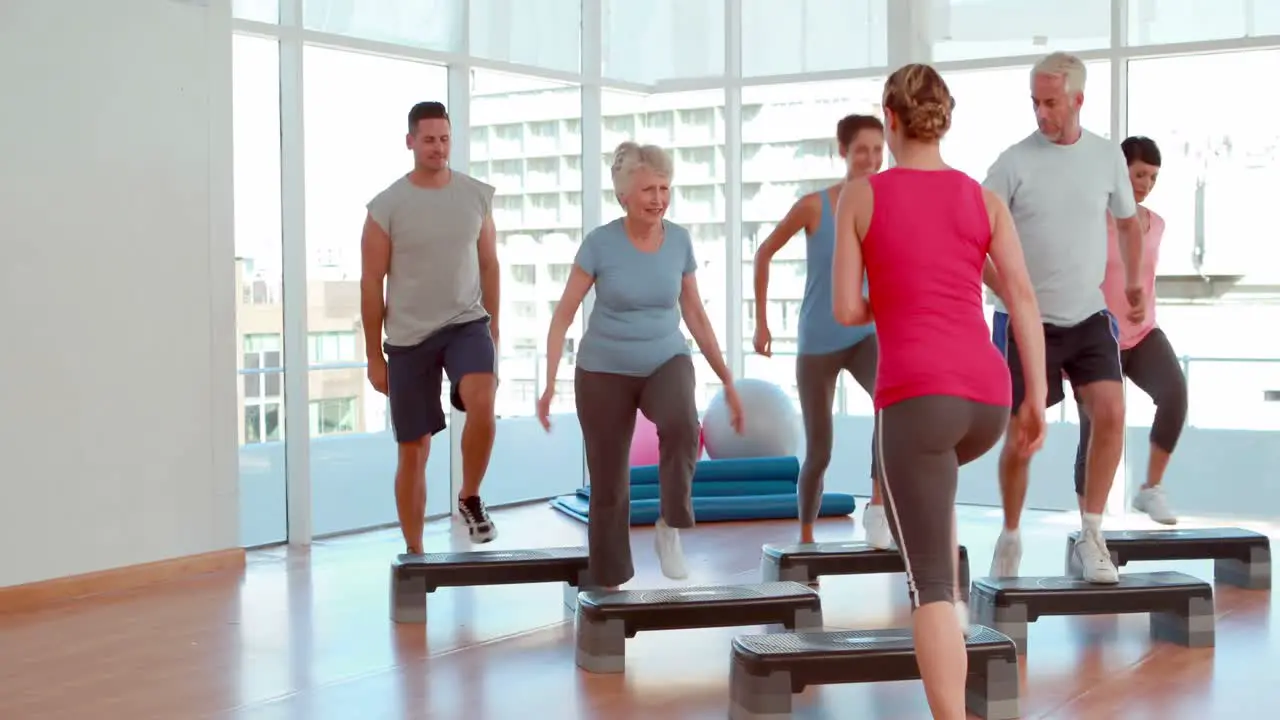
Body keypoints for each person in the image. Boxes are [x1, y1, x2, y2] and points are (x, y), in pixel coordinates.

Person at [833, 63, 1047, 720]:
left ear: (890, 121)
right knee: (938, 516)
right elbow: (1021, 295)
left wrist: (891, 301)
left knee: (929, 584)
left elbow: (845, 310)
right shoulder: (981, 199)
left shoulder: (860, 196)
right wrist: (1034, 395)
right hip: (987, 395)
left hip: (918, 399)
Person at [537, 141, 744, 588]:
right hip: (602, 370)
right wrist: (550, 380)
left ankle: (670, 524)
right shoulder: (600, 244)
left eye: (664, 188)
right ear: (624, 196)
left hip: (664, 357)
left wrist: (726, 378)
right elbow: (564, 314)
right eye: (648, 189)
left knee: (682, 424)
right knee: (609, 483)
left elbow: (695, 314)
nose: (658, 198)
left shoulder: (680, 242)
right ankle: (608, 587)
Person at [982, 52, 1146, 584]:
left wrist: (1135, 281)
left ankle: (1091, 534)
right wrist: (1005, 287)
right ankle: (1010, 533)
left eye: (1050, 102)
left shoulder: (1105, 158)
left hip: (1087, 314)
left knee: (1112, 413)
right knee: (1021, 437)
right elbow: (971, 238)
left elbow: (1128, 224)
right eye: (1034, 101)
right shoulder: (1012, 163)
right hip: (1024, 322)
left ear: (1078, 99)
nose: (1041, 112)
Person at [361, 101, 501, 552]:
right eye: (428, 140)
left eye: (444, 139)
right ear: (410, 142)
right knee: (414, 449)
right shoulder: (386, 207)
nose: (438, 147)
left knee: (482, 397)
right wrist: (372, 357)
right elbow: (370, 284)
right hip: (408, 339)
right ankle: (416, 554)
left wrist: (493, 331)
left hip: (465, 322)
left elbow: (489, 264)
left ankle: (470, 496)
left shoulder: (476, 195)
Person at [752, 114, 892, 548]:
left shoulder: (888, 204)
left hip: (864, 333)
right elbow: (764, 253)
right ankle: (807, 539)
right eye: (860, 150)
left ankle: (877, 507)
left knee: (892, 406)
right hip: (818, 341)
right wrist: (761, 322)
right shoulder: (815, 205)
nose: (870, 158)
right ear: (843, 152)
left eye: (877, 149)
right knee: (820, 450)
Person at [1074, 136, 1183, 525]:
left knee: (1174, 393)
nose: (1146, 184)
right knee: (1098, 427)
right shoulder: (1089, 218)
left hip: (1142, 333)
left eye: (1153, 177)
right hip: (1095, 337)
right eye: (1140, 174)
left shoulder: (1156, 224)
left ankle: (1150, 489)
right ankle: (1091, 524)